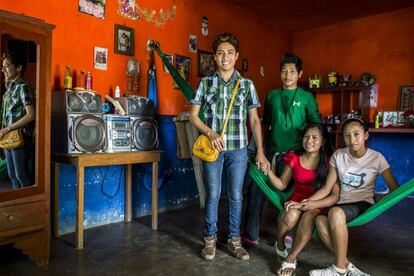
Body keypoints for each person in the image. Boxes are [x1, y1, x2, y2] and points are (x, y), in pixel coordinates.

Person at [189, 32, 268, 261]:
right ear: (215, 57)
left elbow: (254, 120)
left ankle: (235, 240)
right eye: (221, 53)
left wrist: (260, 151)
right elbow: (194, 116)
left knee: (235, 195)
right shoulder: (206, 83)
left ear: (236, 56)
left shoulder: (247, 85)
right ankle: (210, 240)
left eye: (230, 53)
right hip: (213, 149)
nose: (225, 57)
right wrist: (210, 132)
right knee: (213, 194)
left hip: (239, 149)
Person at [243, 52, 321, 246]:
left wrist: (310, 154)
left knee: (291, 196)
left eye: (292, 71)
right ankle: (251, 234)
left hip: (295, 155)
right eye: (284, 71)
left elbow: (315, 126)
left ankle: (287, 233)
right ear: (280, 73)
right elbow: (265, 124)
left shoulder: (307, 97)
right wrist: (260, 151)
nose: (288, 75)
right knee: (257, 190)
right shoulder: (272, 96)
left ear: (300, 74)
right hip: (270, 152)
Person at [306, 117, 399, 276]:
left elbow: (395, 190)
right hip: (342, 203)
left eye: (356, 134)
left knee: (334, 214)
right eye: (347, 135)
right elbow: (328, 187)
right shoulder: (338, 155)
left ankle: (338, 269)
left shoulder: (377, 158)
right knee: (320, 220)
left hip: (362, 203)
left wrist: (378, 200)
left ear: (366, 136)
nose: (352, 139)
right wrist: (307, 202)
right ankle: (347, 266)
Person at [261, 123, 337, 276]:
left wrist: (307, 204)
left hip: (317, 203)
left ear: (323, 142)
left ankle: (290, 258)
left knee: (308, 218)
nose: (309, 140)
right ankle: (281, 244)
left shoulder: (330, 162)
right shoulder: (295, 158)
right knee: (291, 214)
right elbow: (282, 184)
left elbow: (334, 194)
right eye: (306, 136)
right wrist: (268, 171)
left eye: (315, 137)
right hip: (296, 198)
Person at [1, 51, 35, 189]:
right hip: (8, 137)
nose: (3, 69)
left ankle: (28, 208)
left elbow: (31, 115)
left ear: (19, 67)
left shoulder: (23, 87)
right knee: (12, 175)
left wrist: (8, 128)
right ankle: (17, 208)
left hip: (20, 137)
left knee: (21, 174)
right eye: (3, 67)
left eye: (7, 66)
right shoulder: (10, 88)